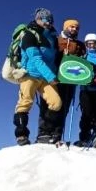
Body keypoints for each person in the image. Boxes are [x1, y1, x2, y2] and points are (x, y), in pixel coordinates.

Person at [12, 8, 62, 145]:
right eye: (45, 19)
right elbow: (35, 59)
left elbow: (54, 58)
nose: (48, 22)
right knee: (25, 103)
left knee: (56, 103)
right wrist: (51, 76)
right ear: (38, 19)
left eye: (50, 20)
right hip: (30, 75)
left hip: (46, 77)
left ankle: (45, 133)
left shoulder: (52, 37)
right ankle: (21, 135)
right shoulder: (29, 34)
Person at [37, 18, 85, 144]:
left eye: (76, 28)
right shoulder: (56, 39)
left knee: (64, 107)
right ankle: (44, 133)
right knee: (49, 104)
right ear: (65, 27)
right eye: (71, 27)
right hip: (53, 77)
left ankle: (57, 133)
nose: (74, 29)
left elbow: (82, 61)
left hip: (69, 80)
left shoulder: (80, 45)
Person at [75, 33, 96, 147]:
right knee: (86, 114)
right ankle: (84, 137)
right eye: (88, 44)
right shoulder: (83, 57)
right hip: (86, 90)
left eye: (93, 43)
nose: (91, 46)